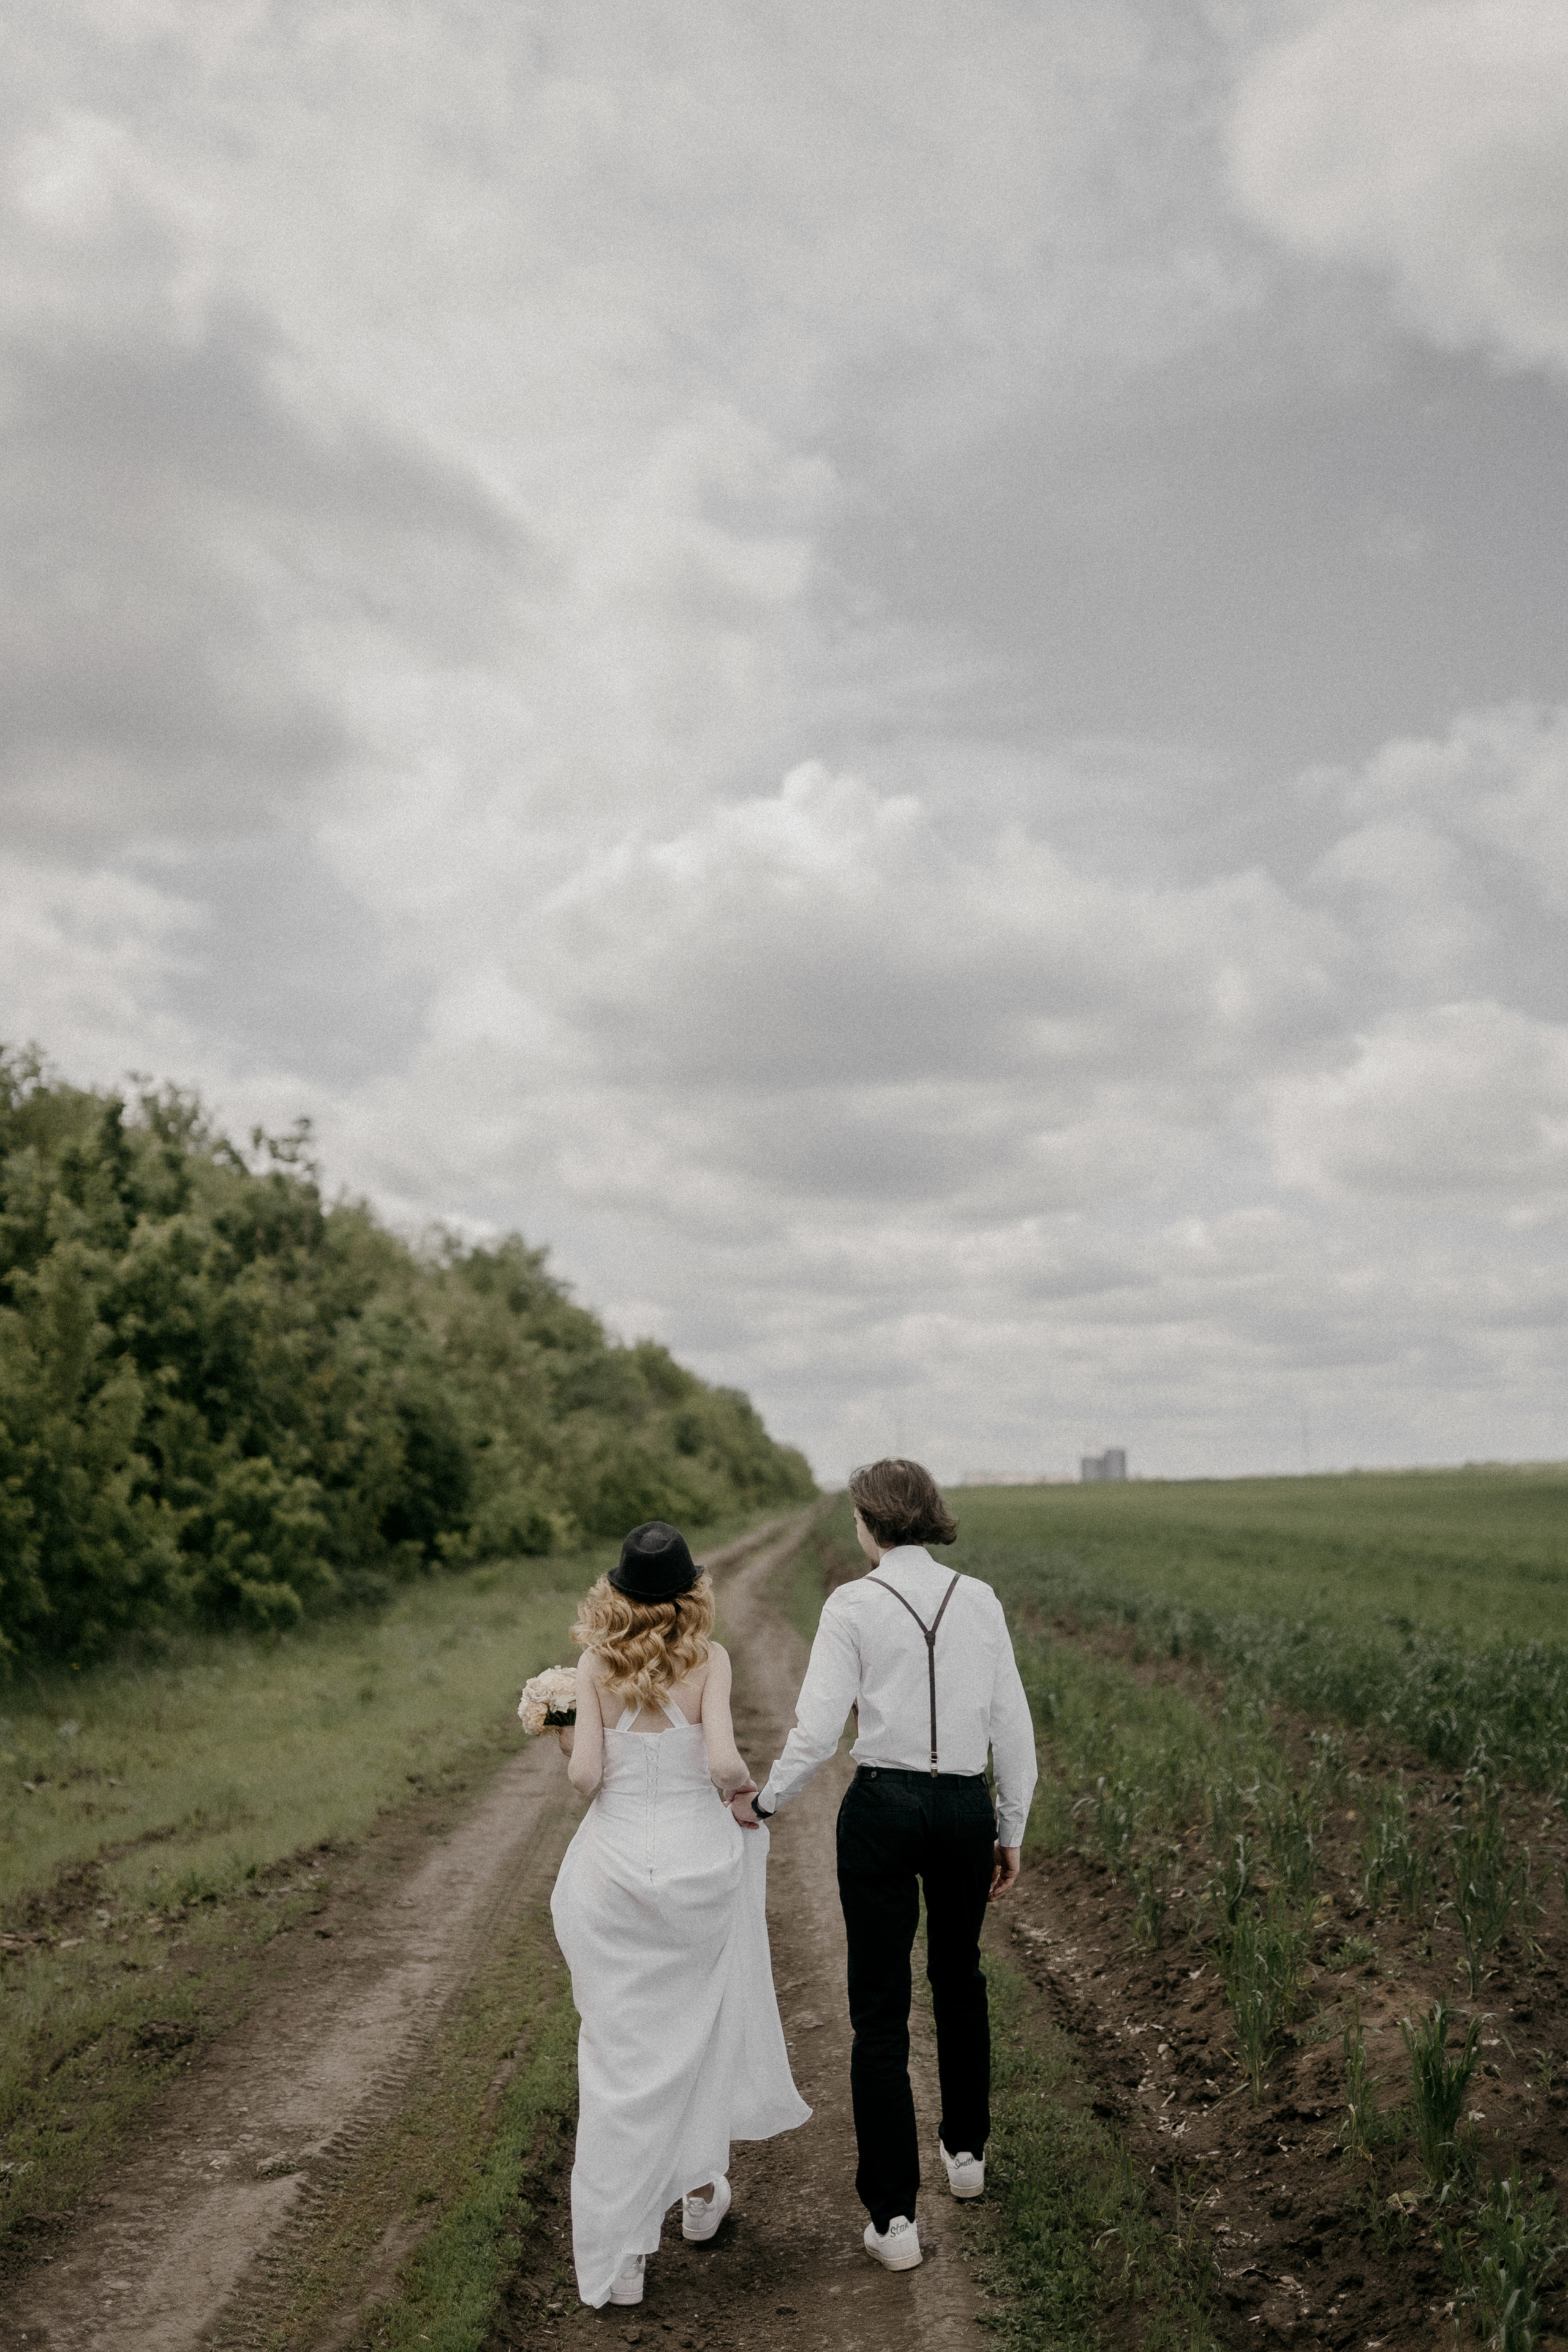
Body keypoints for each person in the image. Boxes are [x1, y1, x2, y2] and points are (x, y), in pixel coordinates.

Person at [736, 1459, 1036, 2272]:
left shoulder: (854, 1604)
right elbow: (1012, 1725)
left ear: (870, 1523)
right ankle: (967, 2156)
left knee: (879, 2008)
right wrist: (1009, 1826)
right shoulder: (978, 1599)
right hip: (966, 1807)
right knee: (959, 1975)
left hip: (883, 1809)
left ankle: (895, 2221)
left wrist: (765, 1803)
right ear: (929, 1516)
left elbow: (819, 1727)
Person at [550, 1520, 810, 2309]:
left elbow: (586, 1778)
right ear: (691, 1592)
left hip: (614, 1880)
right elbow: (724, 1763)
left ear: (616, 1596)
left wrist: (558, 1731)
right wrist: (742, 1798)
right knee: (698, 2036)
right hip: (696, 1875)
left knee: (621, 2060)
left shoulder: (595, 1664)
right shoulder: (710, 1660)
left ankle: (623, 2260)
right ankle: (700, 2199)